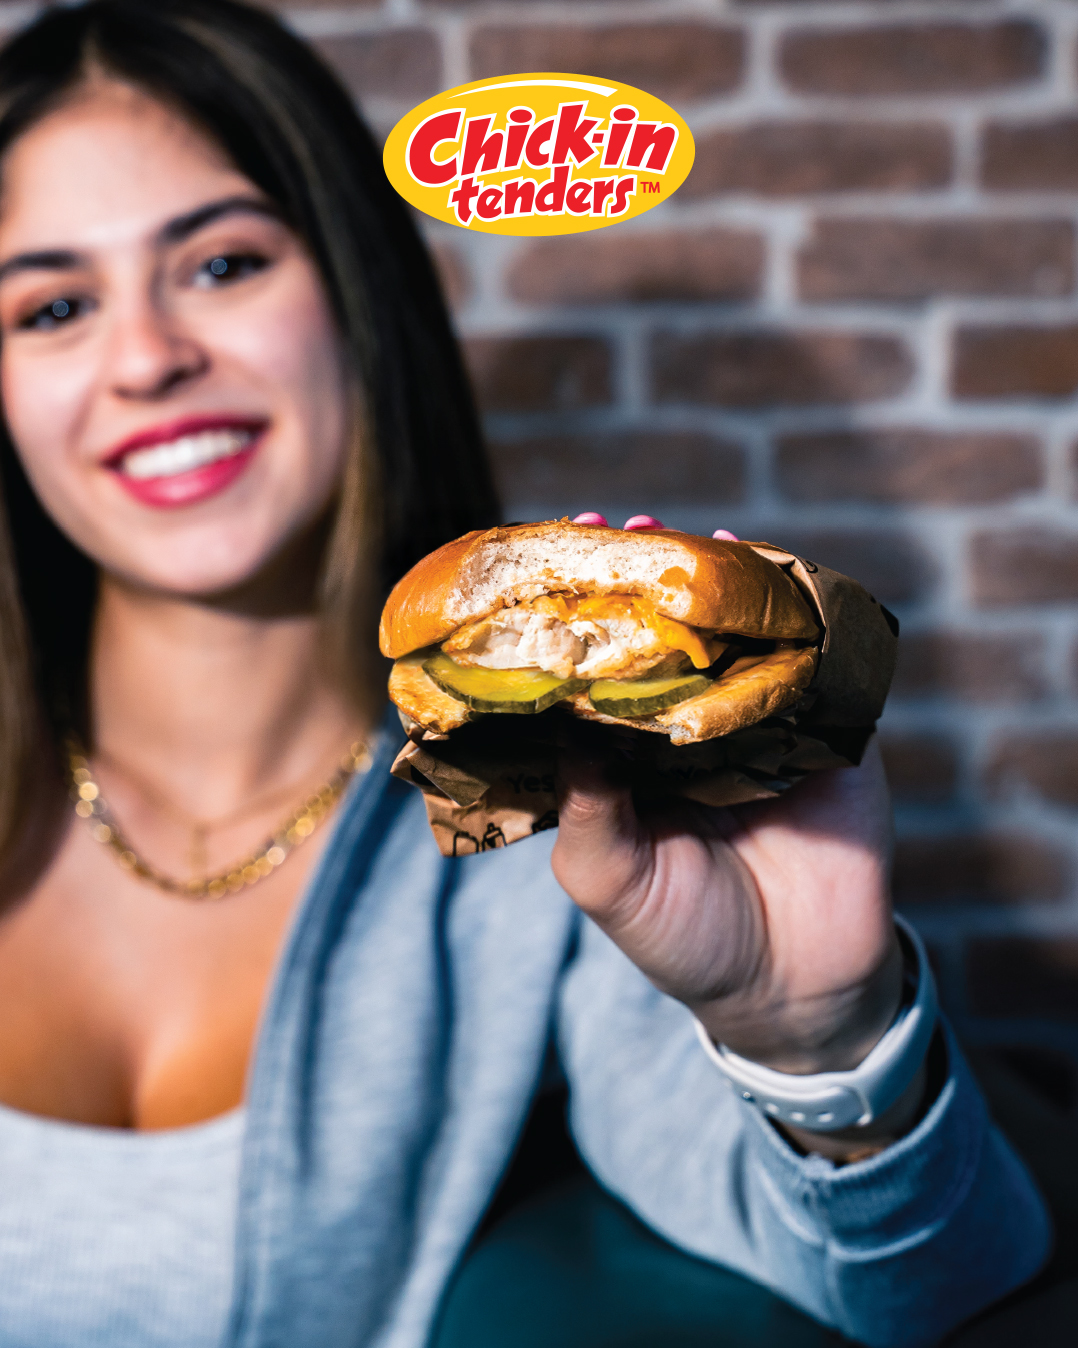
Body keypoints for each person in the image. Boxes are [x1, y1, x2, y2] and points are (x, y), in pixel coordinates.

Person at [0, 2, 1049, 1345]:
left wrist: (819, 1040)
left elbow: (927, 1284)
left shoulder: (550, 830)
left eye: (221, 265)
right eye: (57, 305)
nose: (148, 357)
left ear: (356, 291)